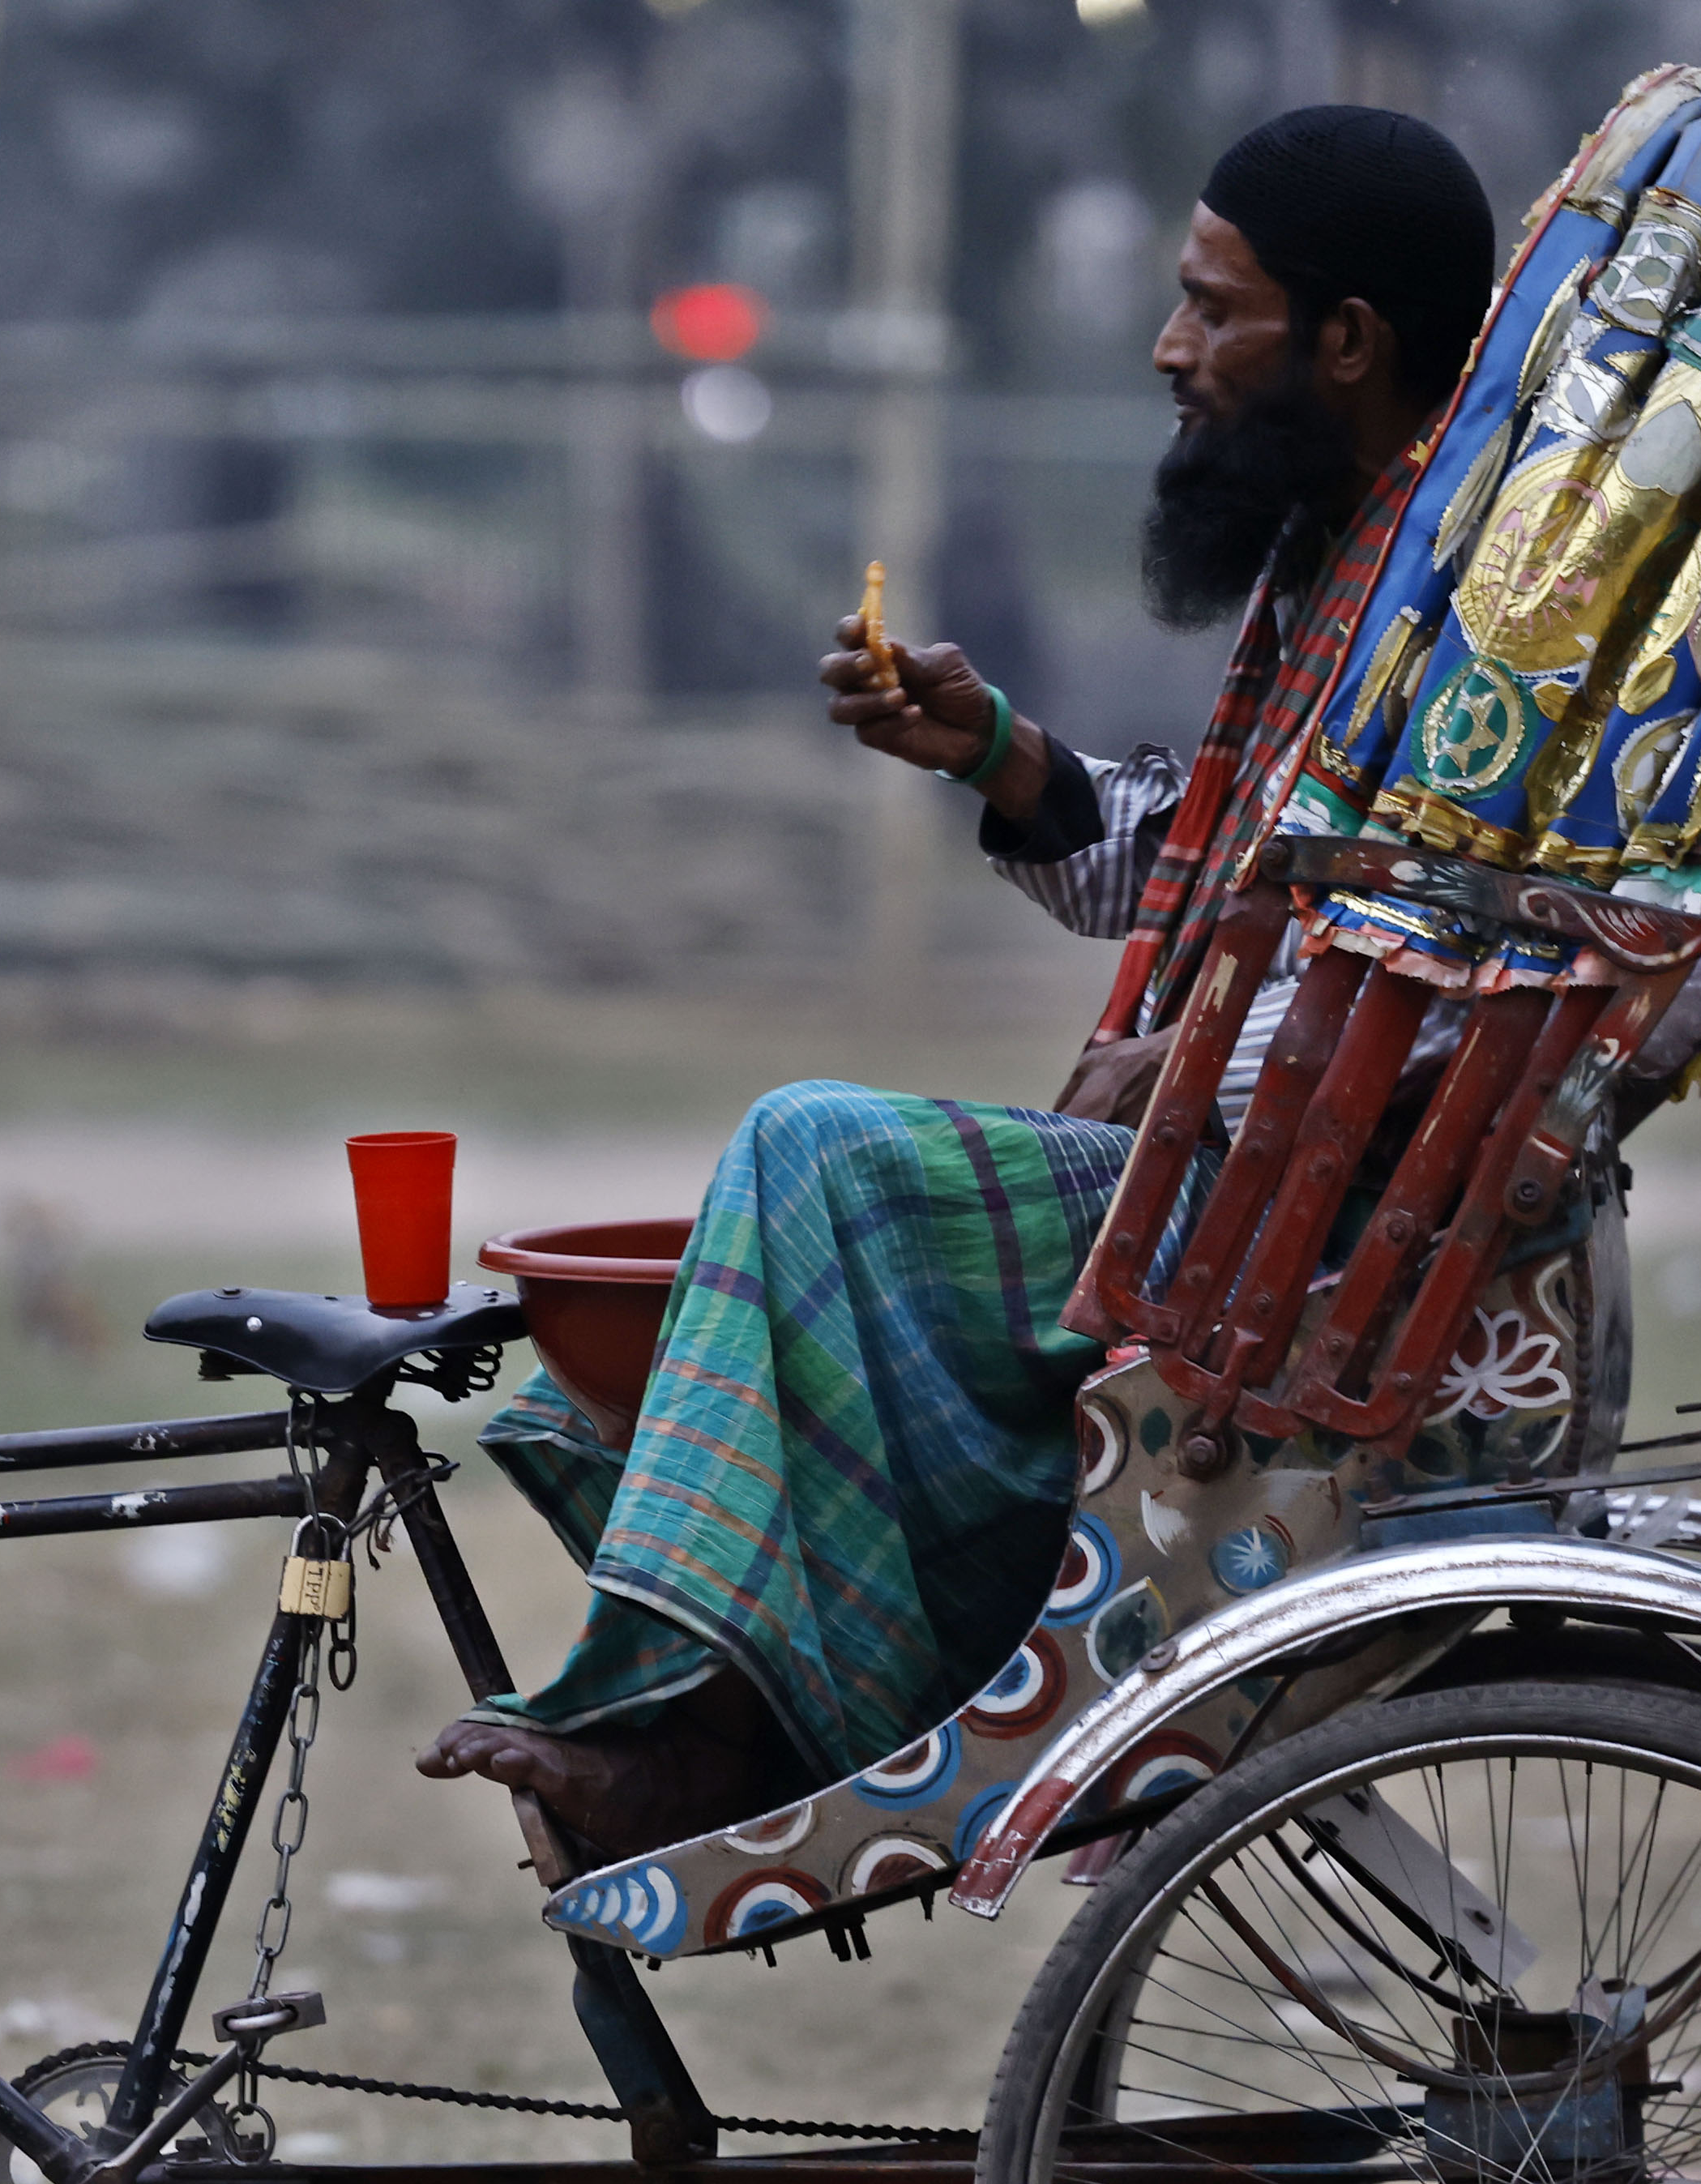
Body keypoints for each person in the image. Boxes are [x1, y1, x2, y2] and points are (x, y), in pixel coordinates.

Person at [419, 106, 1500, 1862]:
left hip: (1302, 1239)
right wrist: (998, 756)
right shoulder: (1340, 560)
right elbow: (1236, 883)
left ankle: (694, 1728)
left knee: (819, 1159)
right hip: (1230, 1187)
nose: (1168, 350)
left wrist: (1192, 1068)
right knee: (621, 1336)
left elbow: (1451, 984)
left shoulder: (1464, 616)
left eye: (1210, 309)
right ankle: (744, 1703)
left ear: (1348, 339)